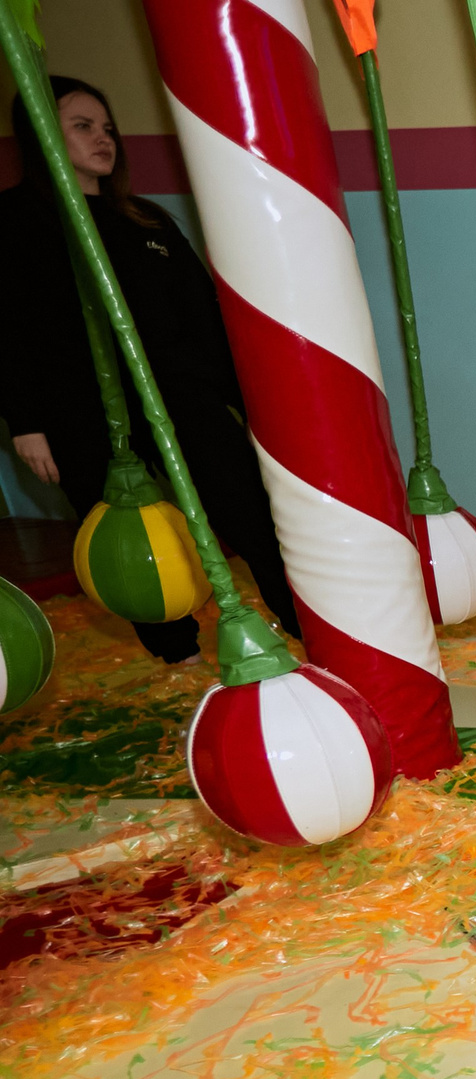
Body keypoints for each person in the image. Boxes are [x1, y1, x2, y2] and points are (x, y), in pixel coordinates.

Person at [0, 76, 300, 664]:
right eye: (82, 126)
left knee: (247, 509)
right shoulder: (14, 221)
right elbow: (8, 328)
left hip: (179, 394)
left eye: (107, 127)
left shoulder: (146, 221)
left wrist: (248, 400)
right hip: (77, 410)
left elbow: (205, 316)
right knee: (125, 535)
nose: (103, 139)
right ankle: (176, 654)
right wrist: (26, 421)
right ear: (40, 133)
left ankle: (300, 623)